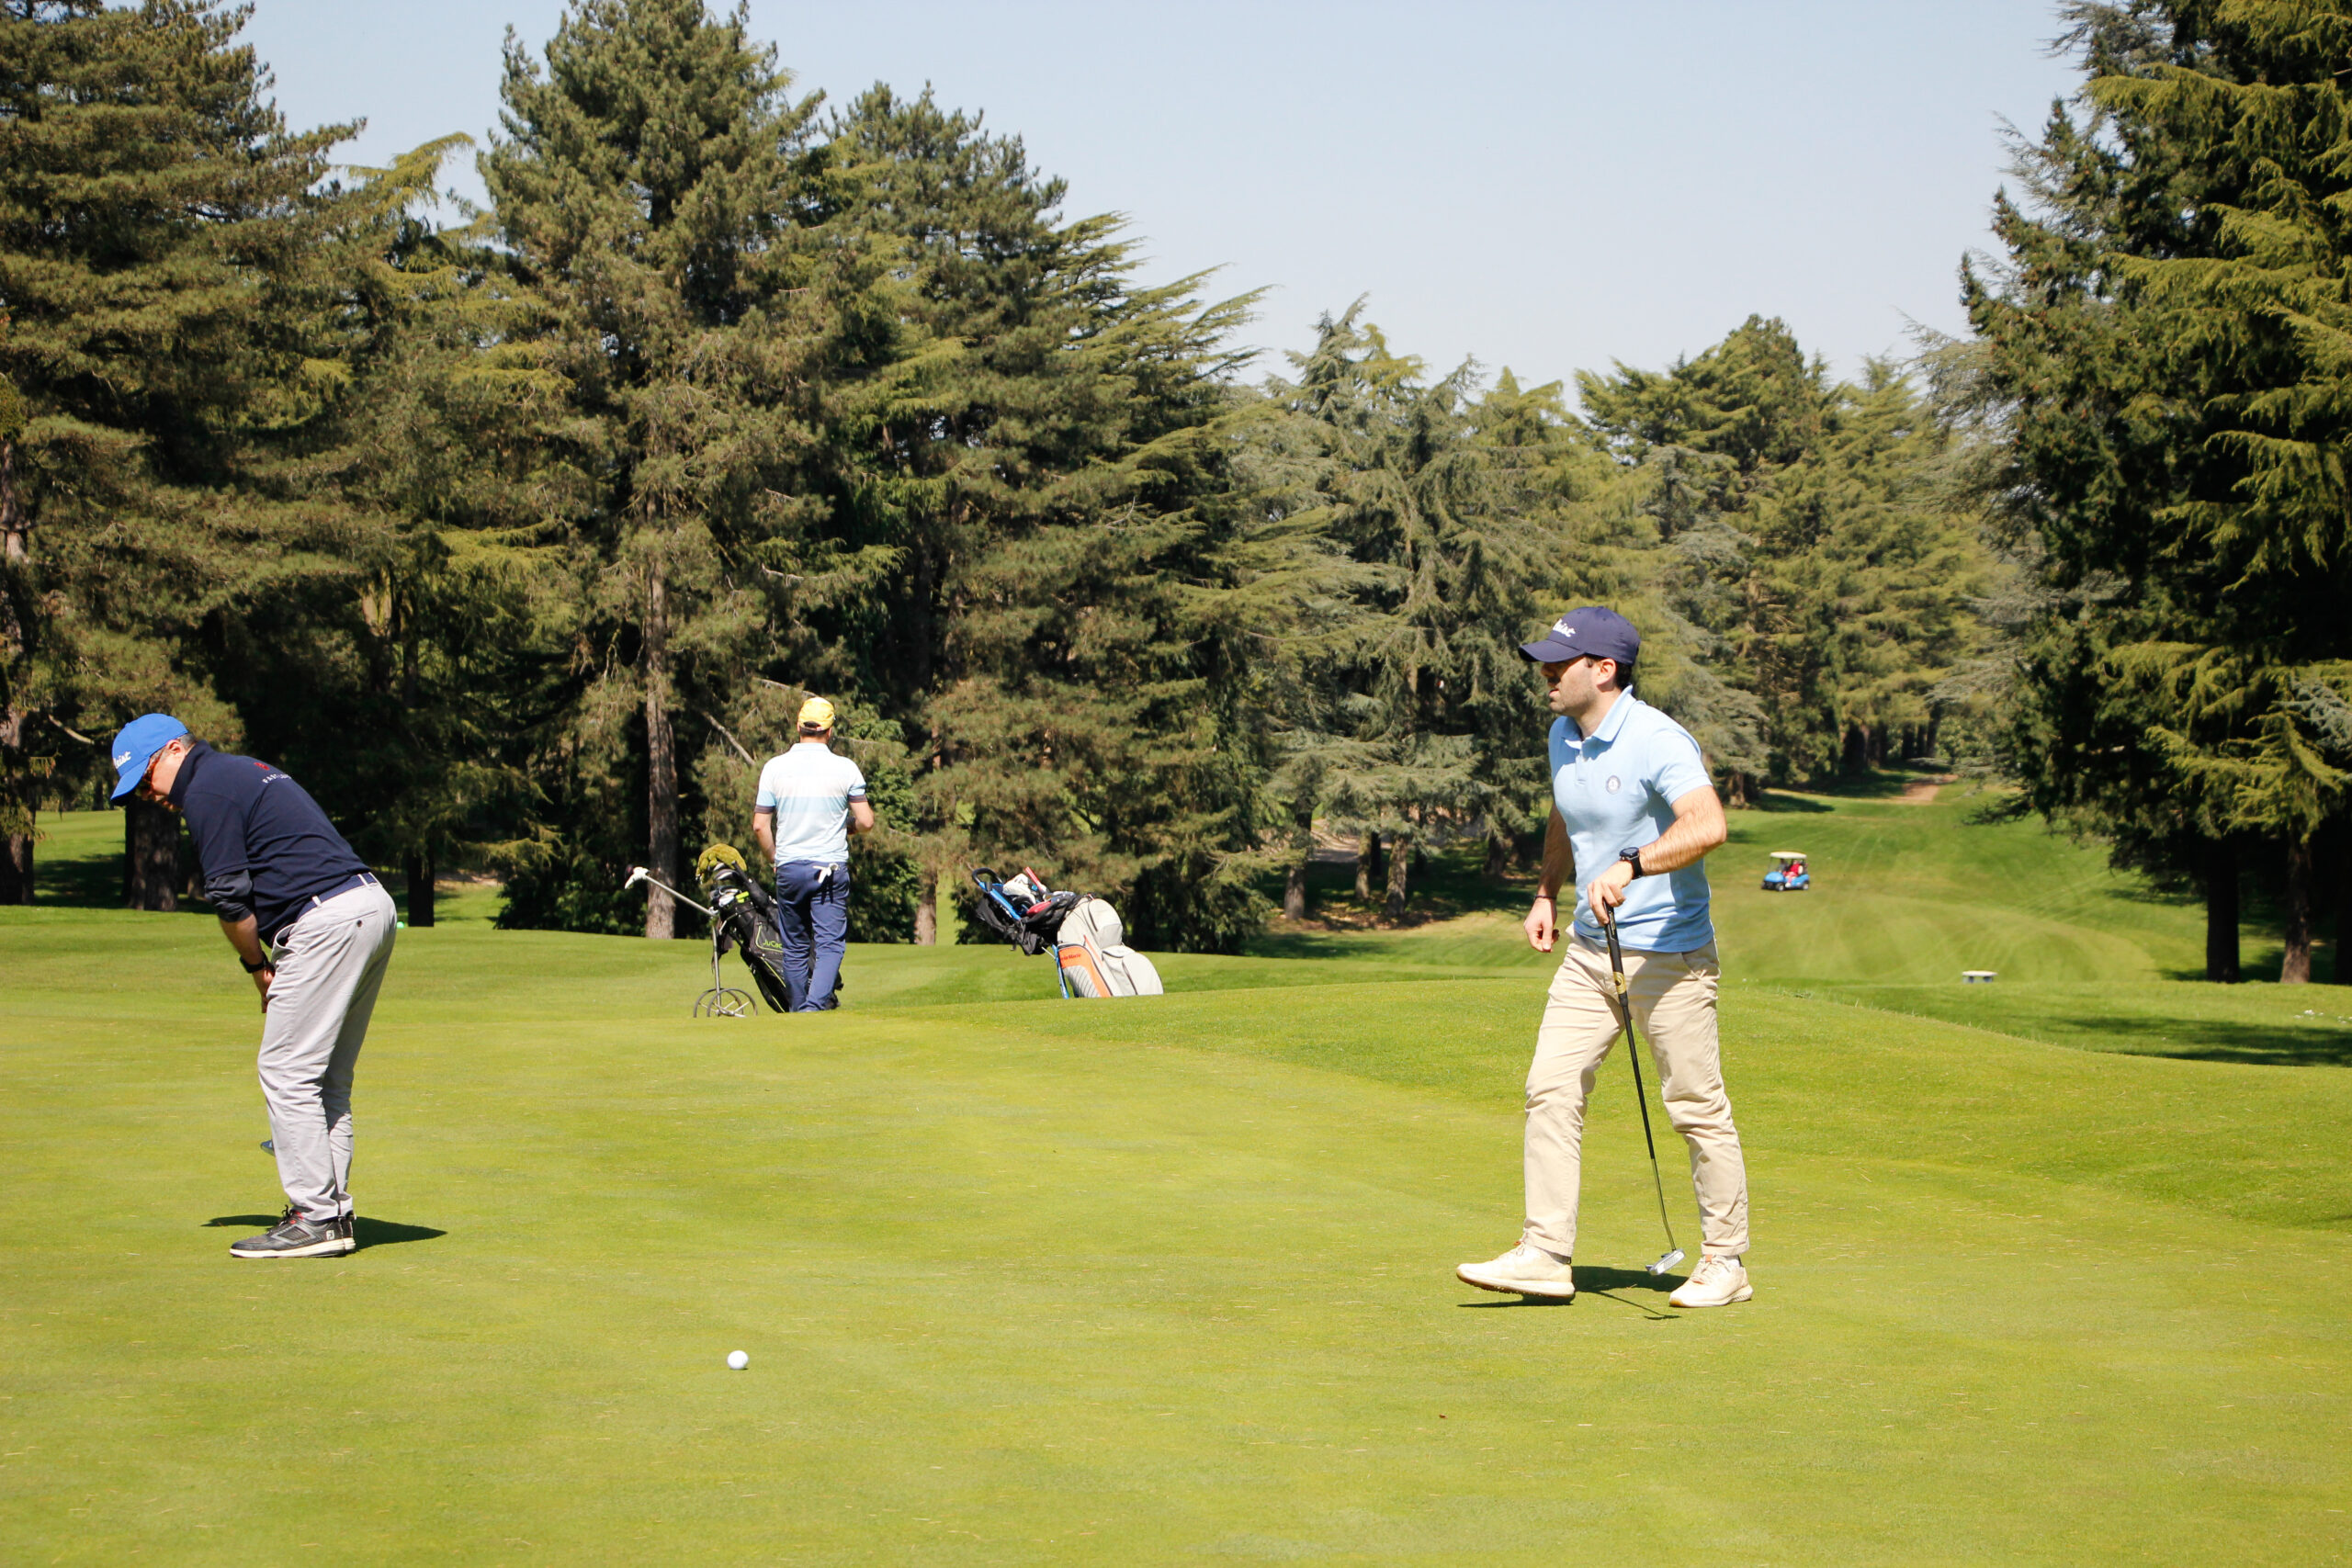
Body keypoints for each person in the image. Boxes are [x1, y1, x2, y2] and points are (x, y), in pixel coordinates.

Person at [1454, 606, 1754, 1310]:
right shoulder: (1563, 735)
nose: (1546, 674)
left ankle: (1725, 1260)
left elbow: (1708, 824)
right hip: (1591, 951)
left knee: (1694, 1106)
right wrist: (1544, 893)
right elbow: (1565, 814)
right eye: (1545, 662)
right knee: (1549, 1088)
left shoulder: (1656, 739)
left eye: (1560, 663)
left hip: (1671, 957)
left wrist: (1633, 864)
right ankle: (1546, 1254)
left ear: (1605, 669)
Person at [109, 714, 399, 1259]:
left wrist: (257, 967)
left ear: (175, 750)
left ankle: (315, 1217)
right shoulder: (243, 770)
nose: (150, 795)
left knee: (287, 1069)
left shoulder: (208, 789)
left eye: (146, 779)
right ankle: (331, 1209)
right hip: (370, 906)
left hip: (326, 919)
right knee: (325, 1076)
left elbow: (229, 898)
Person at [751, 697, 875, 1011]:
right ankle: (813, 1008)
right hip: (829, 867)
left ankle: (798, 1008)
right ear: (829, 731)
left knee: (793, 946)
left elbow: (760, 827)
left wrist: (774, 859)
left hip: (790, 866)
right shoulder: (845, 768)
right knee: (830, 944)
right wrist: (845, 829)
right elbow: (866, 821)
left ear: (798, 726)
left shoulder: (774, 767)